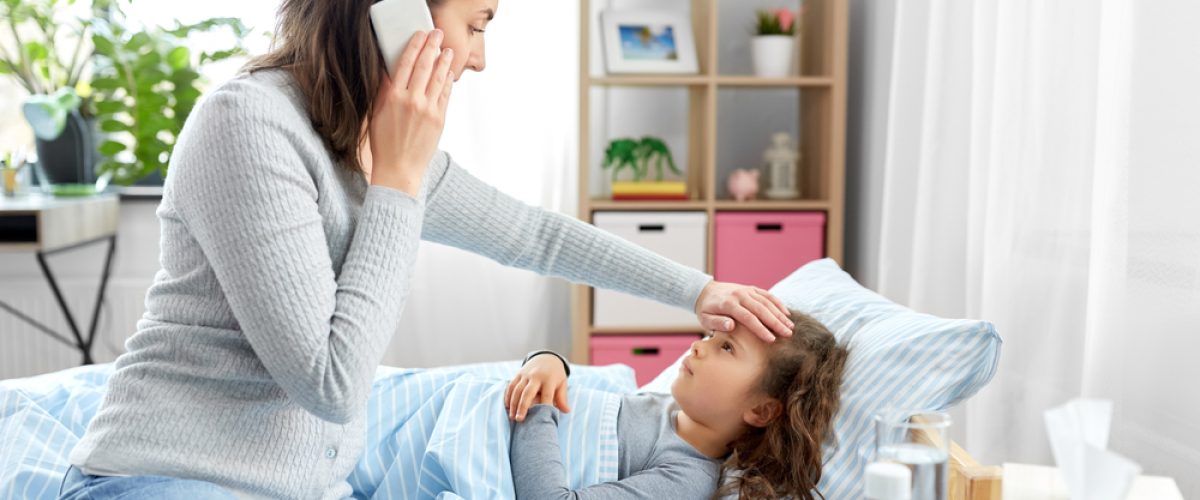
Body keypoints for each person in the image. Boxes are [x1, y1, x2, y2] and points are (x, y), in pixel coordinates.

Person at [58, 1, 795, 499]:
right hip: (165, 476)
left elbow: (531, 234)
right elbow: (331, 383)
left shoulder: (367, 139)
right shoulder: (248, 127)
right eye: (476, 24)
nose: (479, 59)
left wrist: (699, 291)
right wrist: (400, 182)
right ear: (396, 11)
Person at [507, 310, 850, 500]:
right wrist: (547, 360)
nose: (698, 346)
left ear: (761, 410)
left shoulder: (685, 477)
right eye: (710, 336)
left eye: (727, 348)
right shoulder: (658, 404)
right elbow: (570, 388)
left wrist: (537, 405)